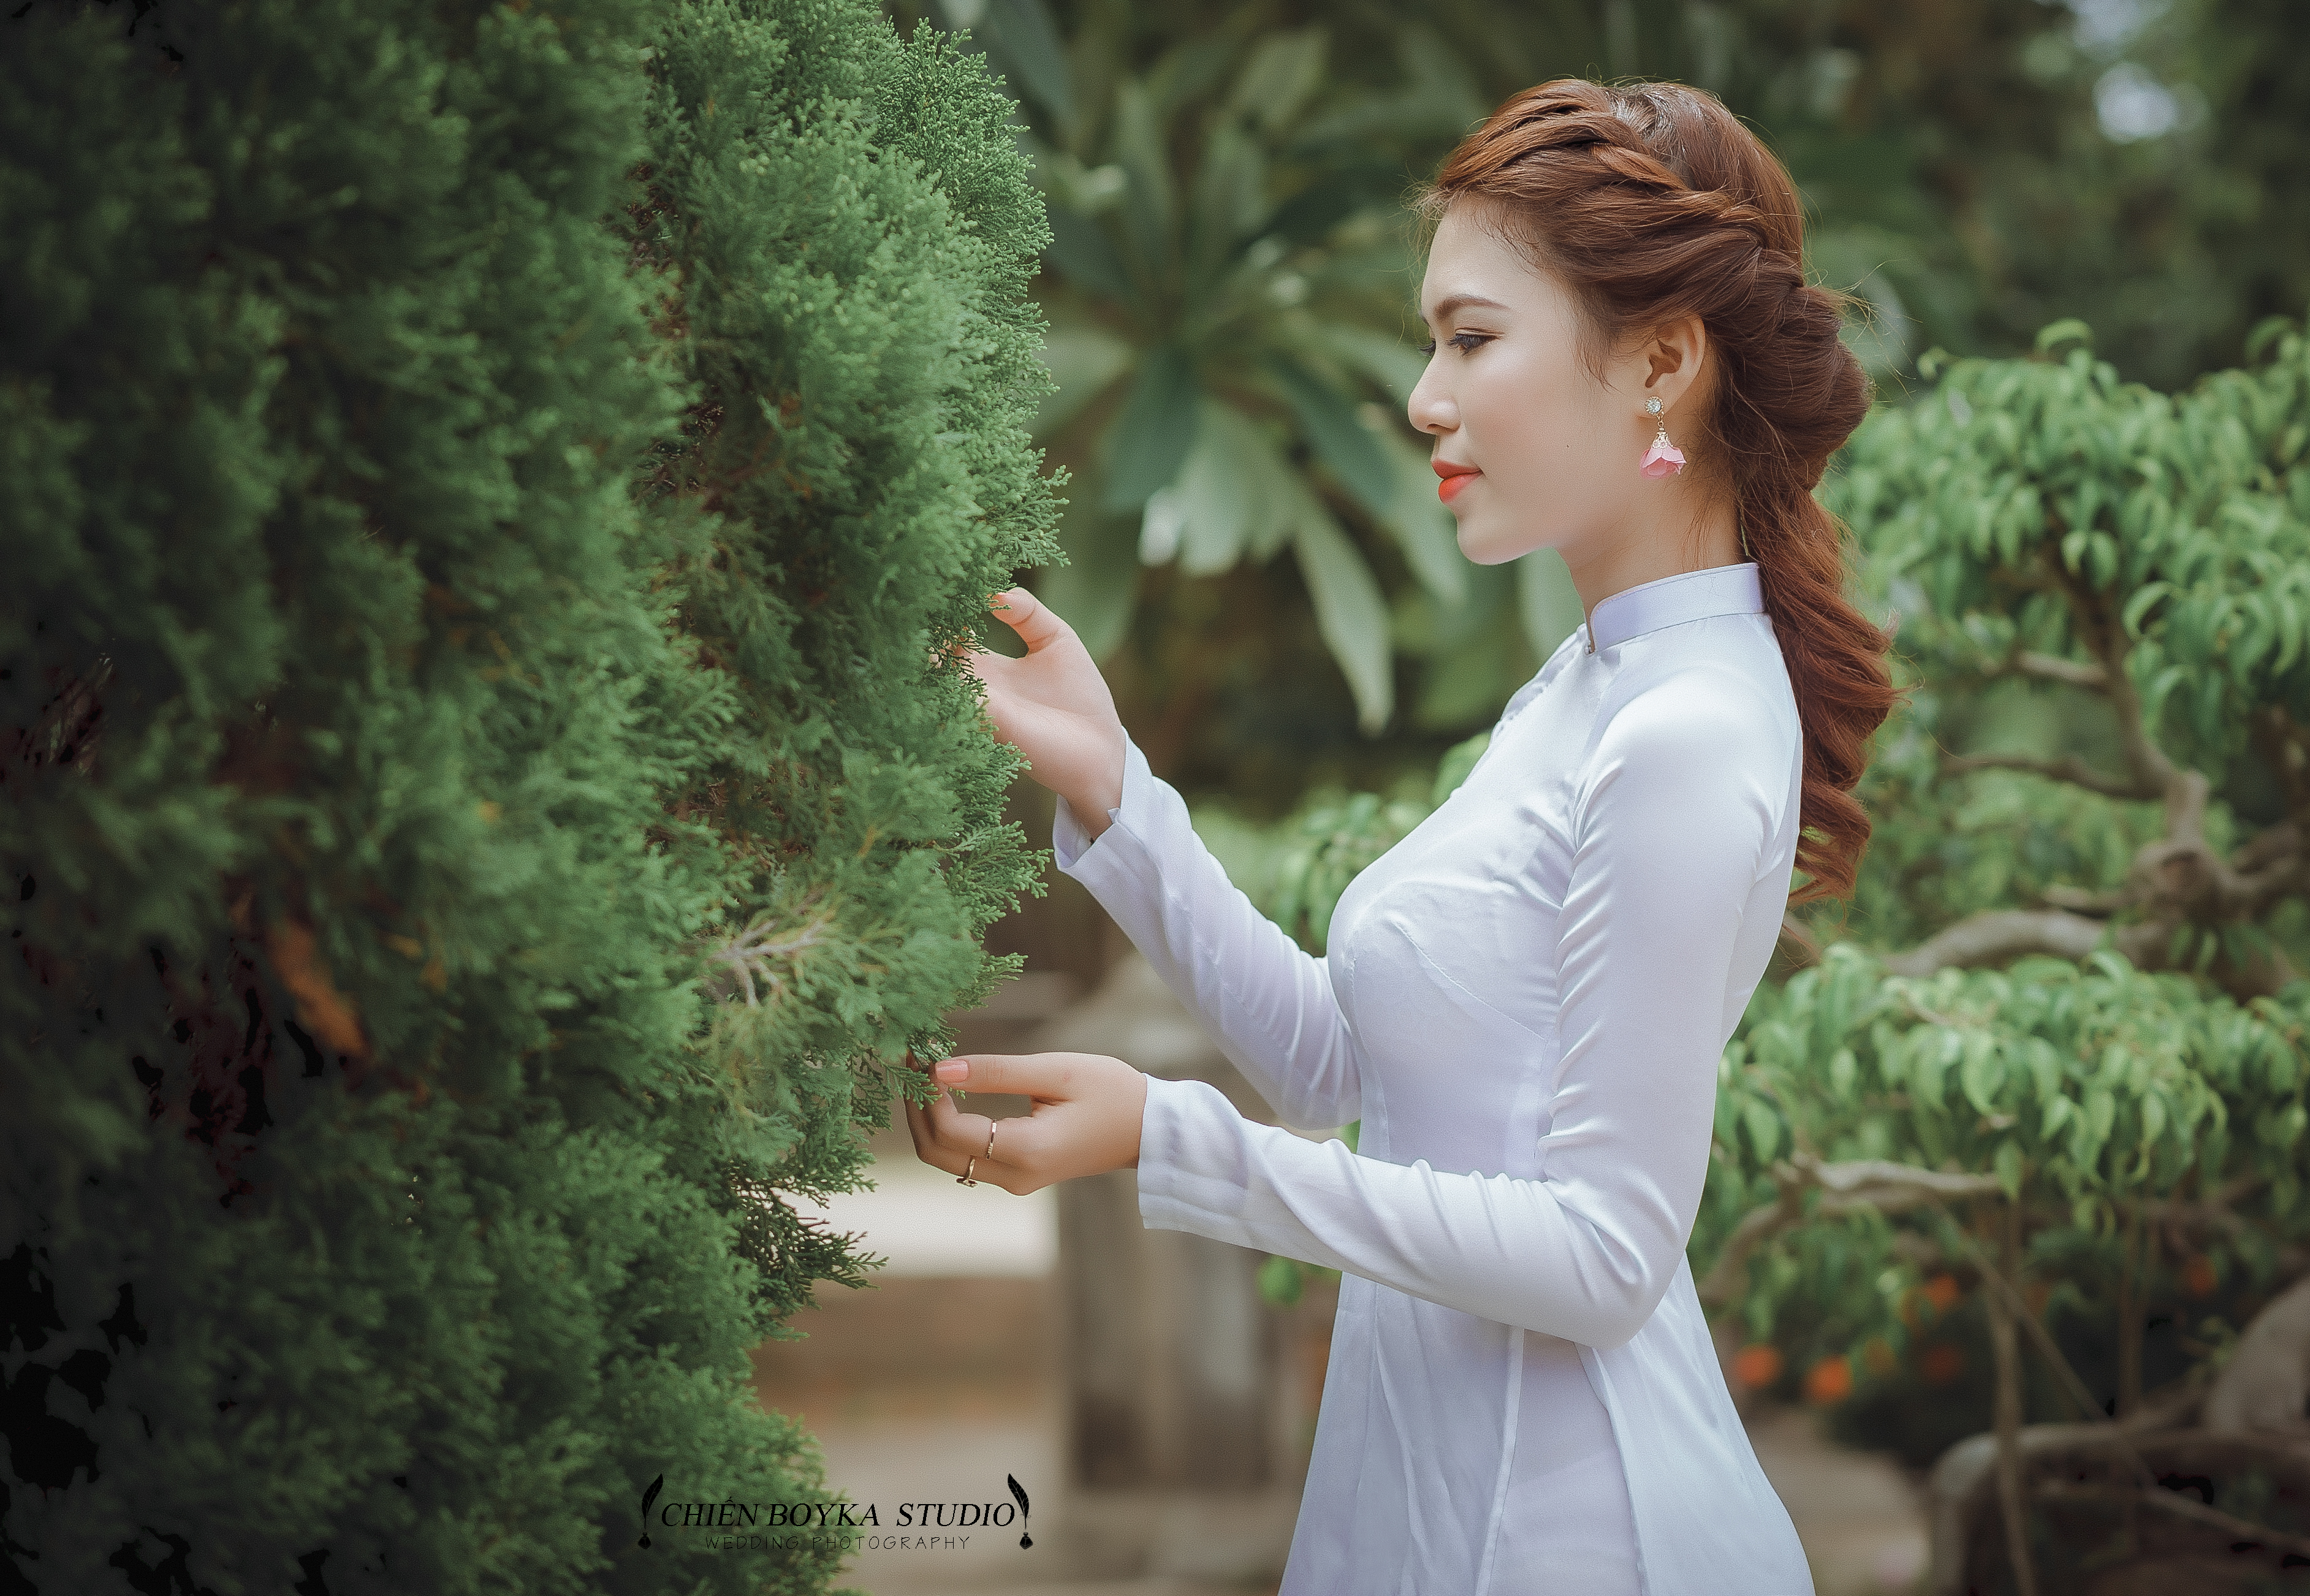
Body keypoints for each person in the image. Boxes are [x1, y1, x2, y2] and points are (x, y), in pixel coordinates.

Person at [903, 78, 1894, 1596]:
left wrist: (1169, 1135)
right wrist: (1115, 787)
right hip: (1423, 1492)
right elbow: (1347, 1070)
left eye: (1471, 337)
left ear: (1661, 362)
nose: (1425, 397)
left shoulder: (1681, 725)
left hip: (1575, 1534)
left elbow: (1604, 1258)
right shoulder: (1586, 685)